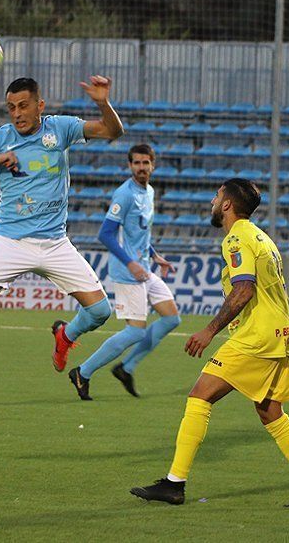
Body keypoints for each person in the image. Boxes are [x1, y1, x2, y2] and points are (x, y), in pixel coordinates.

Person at [130, 178, 289, 509]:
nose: (212, 201)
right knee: (270, 412)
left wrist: (209, 330)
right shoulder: (260, 237)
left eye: (216, 196)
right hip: (277, 334)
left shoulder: (237, 238)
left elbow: (244, 289)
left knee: (200, 395)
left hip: (255, 338)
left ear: (227, 205)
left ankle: (174, 484)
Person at [0, 76, 124, 375]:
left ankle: (65, 335)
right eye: (11, 107)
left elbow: (112, 131)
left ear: (39, 106)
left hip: (54, 243)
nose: (16, 113)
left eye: (24, 106)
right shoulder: (1, 137)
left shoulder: (61, 128)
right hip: (11, 241)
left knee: (100, 312)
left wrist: (102, 103)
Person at [65, 144, 181, 400]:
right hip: (128, 272)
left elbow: (138, 233)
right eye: (136, 163)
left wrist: (153, 255)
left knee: (171, 319)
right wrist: (131, 262)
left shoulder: (149, 192)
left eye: (145, 163)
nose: (141, 167)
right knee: (135, 331)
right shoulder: (125, 194)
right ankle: (82, 372)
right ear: (130, 166)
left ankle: (126, 368)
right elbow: (105, 234)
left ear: (153, 165)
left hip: (145, 268)